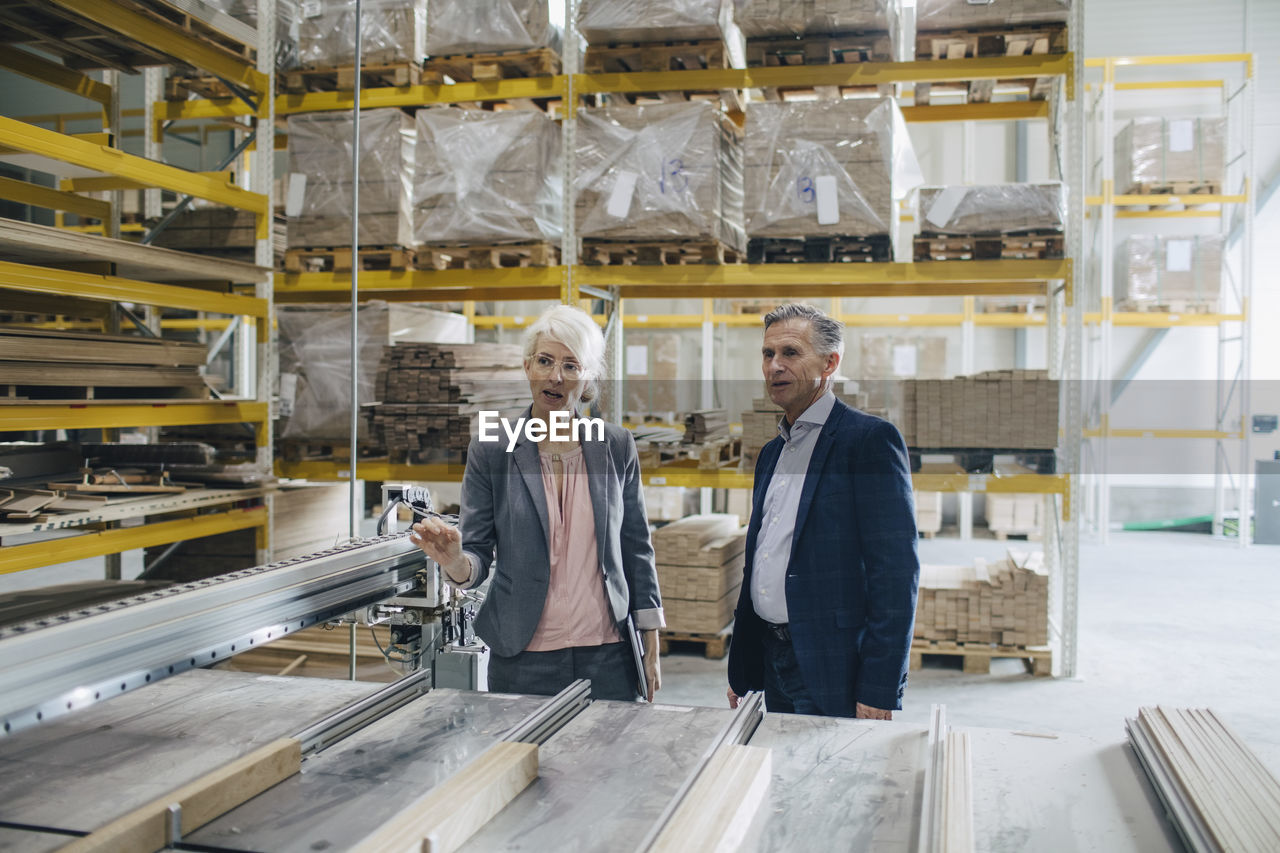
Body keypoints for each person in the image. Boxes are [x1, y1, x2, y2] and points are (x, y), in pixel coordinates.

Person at [410, 304, 664, 702]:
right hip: (523, 655)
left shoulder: (615, 445)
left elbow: (636, 548)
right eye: (545, 361)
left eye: (571, 365)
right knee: (528, 763)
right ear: (528, 366)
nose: (555, 377)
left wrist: (651, 644)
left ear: (589, 377)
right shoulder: (492, 446)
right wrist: (455, 562)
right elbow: (475, 555)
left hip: (608, 654)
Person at [727, 303, 919, 719]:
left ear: (830, 362)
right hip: (770, 657)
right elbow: (764, 558)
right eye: (767, 354)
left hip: (832, 664)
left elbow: (896, 575)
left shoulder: (868, 442)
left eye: (790, 353)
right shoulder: (772, 452)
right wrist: (742, 663)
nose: (774, 366)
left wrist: (879, 685)